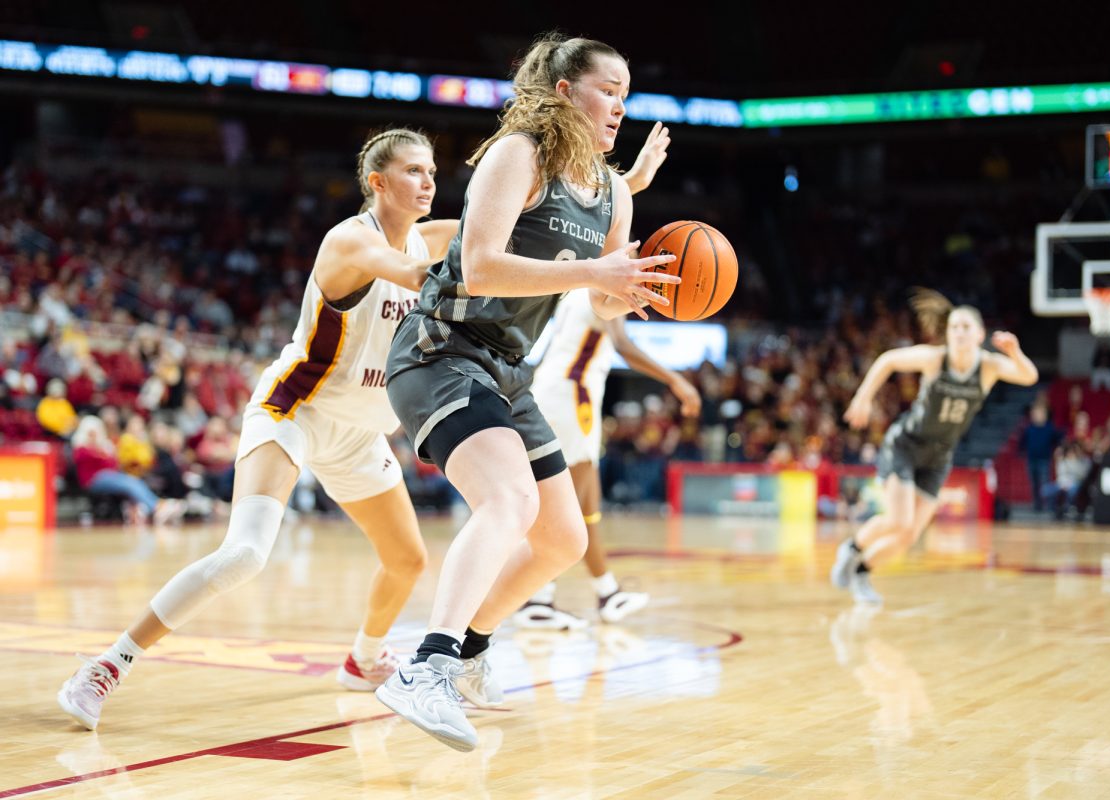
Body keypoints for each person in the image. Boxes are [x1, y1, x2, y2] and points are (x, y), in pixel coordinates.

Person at [57, 127, 457, 731]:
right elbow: (418, 274)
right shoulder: (351, 241)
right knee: (244, 553)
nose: (428, 182)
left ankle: (363, 659)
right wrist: (483, 263)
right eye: (413, 172)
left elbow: (504, 231)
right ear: (378, 182)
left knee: (406, 561)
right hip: (295, 412)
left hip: (359, 435)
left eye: (431, 171)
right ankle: (106, 665)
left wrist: (599, 230)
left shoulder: (429, 237)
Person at [376, 33, 679, 751]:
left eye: (627, 96)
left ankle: (474, 650)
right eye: (609, 90)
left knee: (562, 537)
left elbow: (603, 305)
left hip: (506, 370)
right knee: (508, 501)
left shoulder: (612, 194)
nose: (619, 108)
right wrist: (593, 277)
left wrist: (629, 289)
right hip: (439, 350)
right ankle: (428, 666)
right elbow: (478, 267)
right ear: (568, 91)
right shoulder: (520, 153)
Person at [831, 288, 1038, 604]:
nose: (958, 332)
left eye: (965, 327)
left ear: (980, 334)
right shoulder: (934, 358)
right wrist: (862, 397)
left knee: (909, 535)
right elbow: (888, 360)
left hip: (938, 455)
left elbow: (1029, 376)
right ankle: (851, 548)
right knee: (898, 521)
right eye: (954, 327)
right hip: (905, 445)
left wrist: (1015, 352)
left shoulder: (988, 366)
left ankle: (862, 571)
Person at [519, 286, 701, 629]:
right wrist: (676, 380)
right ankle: (538, 597)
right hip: (570, 398)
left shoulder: (575, 289)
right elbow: (624, 347)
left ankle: (606, 592)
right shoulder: (604, 291)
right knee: (567, 508)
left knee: (587, 506)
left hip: (560, 394)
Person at [1020, 403, 1059, 513]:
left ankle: (1050, 505)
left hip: (1044, 459)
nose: (1037, 415)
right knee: (1034, 484)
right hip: (1031, 459)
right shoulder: (1029, 429)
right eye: (1036, 413)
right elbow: (1022, 442)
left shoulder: (1050, 428)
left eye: (1040, 413)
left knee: (1045, 483)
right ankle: (1037, 505)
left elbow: (1056, 440)